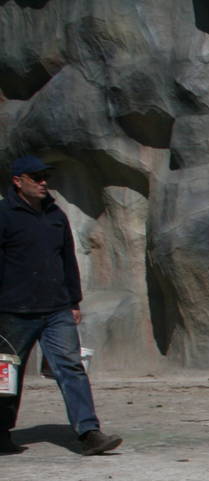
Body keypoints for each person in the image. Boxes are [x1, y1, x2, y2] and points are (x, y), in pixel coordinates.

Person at [0, 155, 120, 456]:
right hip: (13, 311)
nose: (43, 182)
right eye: (36, 177)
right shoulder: (4, 214)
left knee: (71, 367)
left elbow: (67, 259)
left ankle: (89, 432)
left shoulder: (55, 215)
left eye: (45, 177)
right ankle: (0, 432)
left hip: (56, 309)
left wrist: (73, 300)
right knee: (5, 375)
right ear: (18, 181)